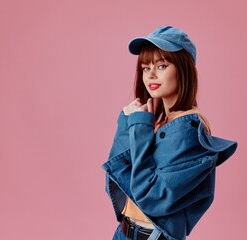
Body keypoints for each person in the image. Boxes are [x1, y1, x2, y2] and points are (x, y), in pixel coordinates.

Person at [102, 26, 238, 240]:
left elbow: (151, 198)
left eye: (162, 65)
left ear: (183, 69)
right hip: (124, 233)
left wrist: (138, 126)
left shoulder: (188, 130)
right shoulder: (156, 120)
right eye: (145, 68)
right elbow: (118, 174)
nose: (151, 75)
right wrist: (127, 122)